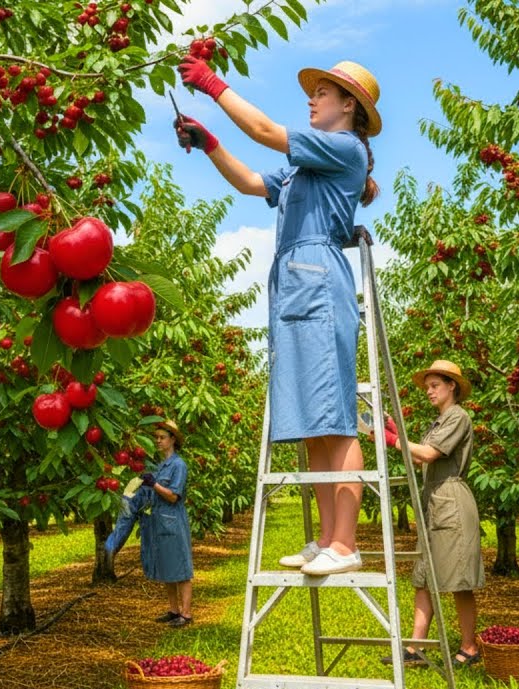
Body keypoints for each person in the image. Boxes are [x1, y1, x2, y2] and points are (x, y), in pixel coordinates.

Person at [175, 55, 381, 575]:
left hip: (318, 281)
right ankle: (326, 538)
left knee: (335, 417)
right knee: (313, 422)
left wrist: (211, 85)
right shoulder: (304, 165)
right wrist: (209, 145)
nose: (312, 100)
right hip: (292, 285)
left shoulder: (345, 148)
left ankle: (346, 544)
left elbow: (265, 130)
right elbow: (249, 183)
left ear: (348, 105)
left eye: (323, 94)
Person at [378, 360, 484, 668]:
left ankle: (469, 647)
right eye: (427, 387)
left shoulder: (458, 417)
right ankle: (416, 647)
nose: (429, 391)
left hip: (451, 501)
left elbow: (427, 454)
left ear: (452, 386)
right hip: (434, 502)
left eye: (434, 385)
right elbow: (423, 457)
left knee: (458, 579)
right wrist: (395, 430)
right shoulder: (438, 422)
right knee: (423, 576)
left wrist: (391, 439)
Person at [104, 420, 194, 627]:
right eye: (157, 438)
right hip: (159, 522)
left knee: (181, 570)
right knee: (168, 569)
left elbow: (174, 496)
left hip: (173, 522)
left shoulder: (178, 465)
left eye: (162, 437)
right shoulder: (161, 465)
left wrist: (154, 485)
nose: (158, 441)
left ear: (173, 440)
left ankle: (186, 614)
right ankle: (173, 611)